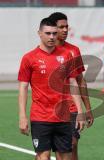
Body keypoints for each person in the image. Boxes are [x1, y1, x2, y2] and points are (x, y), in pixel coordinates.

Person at [18, 17, 85, 160]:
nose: (52, 37)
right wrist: (22, 116)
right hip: (40, 117)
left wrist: (80, 111)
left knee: (65, 157)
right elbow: (23, 87)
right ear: (39, 33)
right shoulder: (29, 58)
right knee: (44, 156)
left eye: (54, 33)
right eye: (48, 33)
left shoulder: (66, 55)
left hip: (63, 117)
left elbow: (73, 83)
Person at [49, 12, 94, 160]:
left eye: (67, 26)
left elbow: (80, 81)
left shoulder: (73, 50)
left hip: (72, 108)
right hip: (50, 109)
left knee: (73, 144)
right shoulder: (46, 51)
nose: (65, 30)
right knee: (55, 151)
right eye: (61, 27)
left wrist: (88, 109)